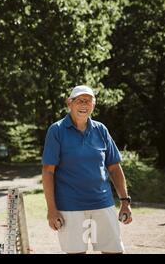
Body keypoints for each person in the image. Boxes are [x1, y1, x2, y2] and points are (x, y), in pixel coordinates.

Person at [41, 85, 132, 254]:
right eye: (79, 101)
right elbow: (48, 172)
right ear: (70, 103)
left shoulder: (101, 130)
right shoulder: (57, 130)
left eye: (88, 101)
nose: (84, 105)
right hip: (70, 208)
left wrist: (125, 201)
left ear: (93, 106)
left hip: (103, 204)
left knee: (115, 251)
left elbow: (114, 167)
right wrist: (52, 210)